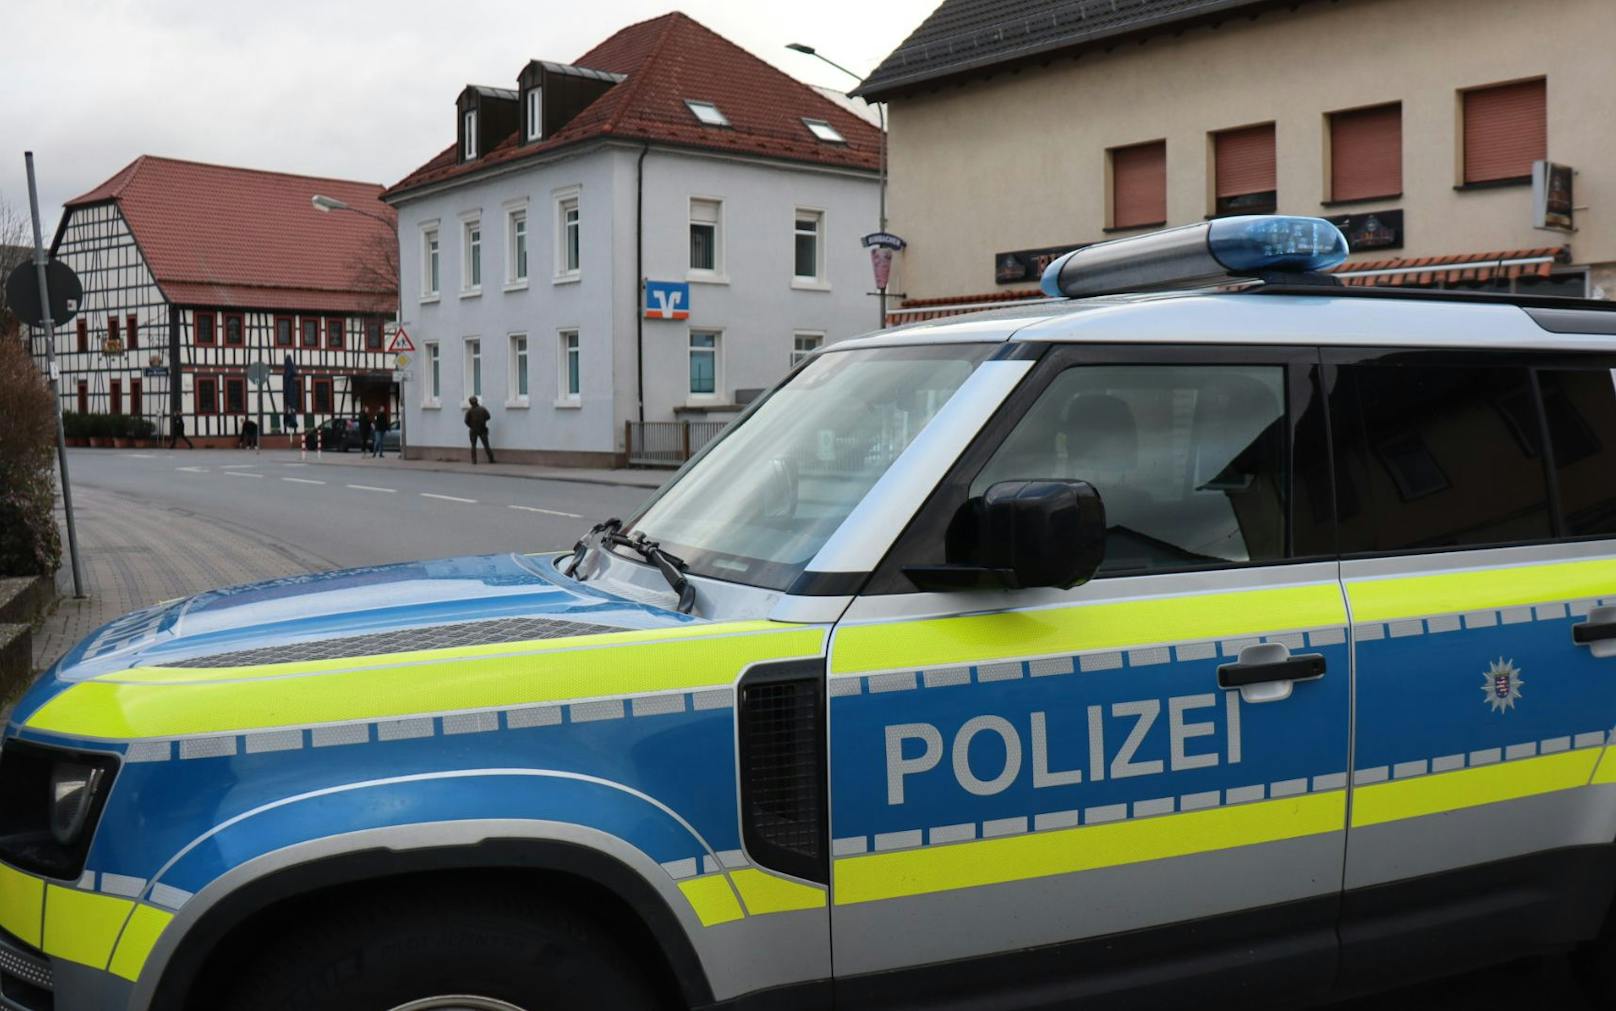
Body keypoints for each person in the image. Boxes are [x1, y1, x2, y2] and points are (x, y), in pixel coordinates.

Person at [465, 396, 494, 464]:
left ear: (470, 403)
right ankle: (491, 459)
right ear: (477, 401)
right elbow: (488, 417)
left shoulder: (469, 411)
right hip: (482, 429)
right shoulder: (482, 409)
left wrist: (471, 426)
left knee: (473, 446)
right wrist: (483, 421)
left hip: (473, 430)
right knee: (486, 445)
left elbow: (466, 421)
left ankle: (474, 461)